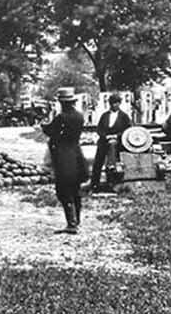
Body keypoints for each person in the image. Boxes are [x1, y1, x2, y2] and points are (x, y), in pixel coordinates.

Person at [41, 87, 89, 233]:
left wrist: (44, 123)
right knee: (75, 189)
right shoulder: (80, 116)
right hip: (76, 153)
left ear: (62, 102)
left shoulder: (61, 117)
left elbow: (50, 131)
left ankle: (71, 224)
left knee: (63, 190)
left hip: (63, 156)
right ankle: (77, 220)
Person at [89, 93, 132, 190]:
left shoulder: (124, 116)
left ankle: (112, 182)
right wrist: (105, 136)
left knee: (113, 158)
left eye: (116, 103)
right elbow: (99, 129)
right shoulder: (105, 115)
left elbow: (128, 130)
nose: (114, 105)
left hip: (117, 142)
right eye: (112, 103)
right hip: (104, 141)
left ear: (119, 104)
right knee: (98, 161)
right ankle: (94, 183)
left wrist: (116, 136)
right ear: (110, 104)